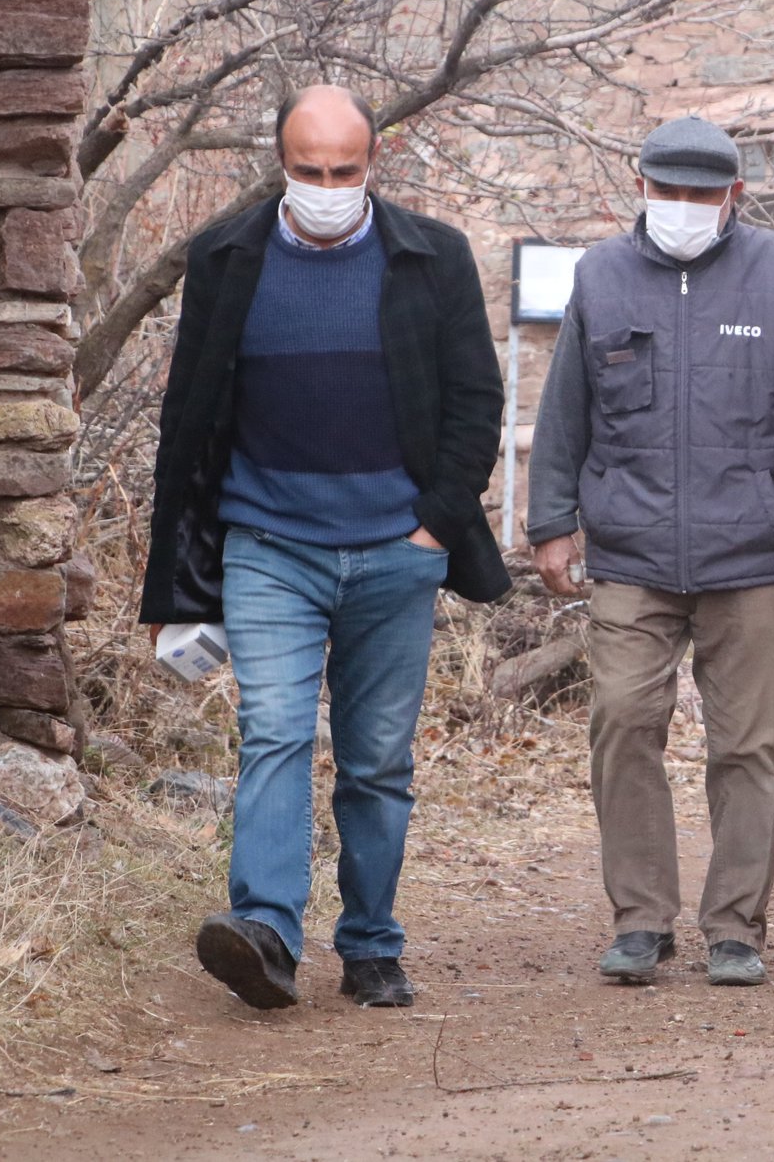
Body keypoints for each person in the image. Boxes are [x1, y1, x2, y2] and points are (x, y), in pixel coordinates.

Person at [140, 84, 510, 1011]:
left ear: (373, 162)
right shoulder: (226, 258)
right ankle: (265, 932)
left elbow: (476, 404)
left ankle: (372, 944)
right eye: (309, 171)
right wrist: (183, 573)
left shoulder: (434, 258)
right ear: (281, 163)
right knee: (272, 731)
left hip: (398, 550)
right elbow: (187, 419)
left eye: (345, 170)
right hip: (268, 546)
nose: (327, 186)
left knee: (378, 758)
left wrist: (433, 522)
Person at [527, 116, 774, 989]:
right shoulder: (601, 276)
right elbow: (565, 405)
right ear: (640, 189)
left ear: (734, 197)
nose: (681, 207)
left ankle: (735, 927)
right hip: (632, 553)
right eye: (667, 191)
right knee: (623, 723)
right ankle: (640, 920)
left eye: (700, 195)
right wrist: (550, 520)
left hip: (752, 551)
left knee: (749, 745)